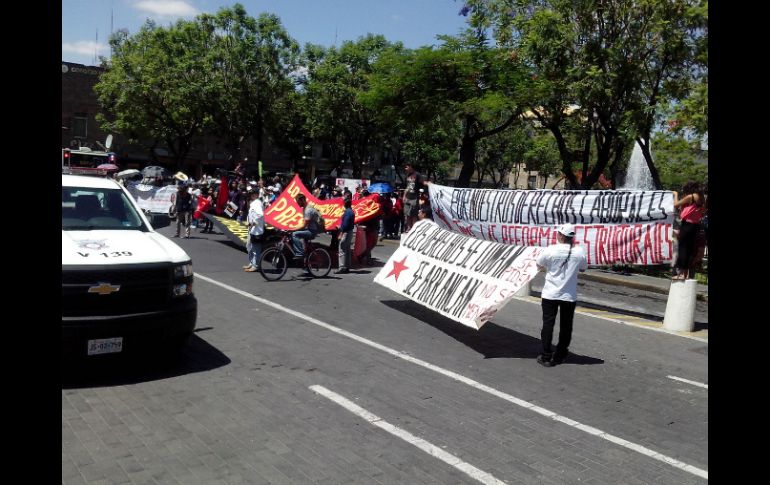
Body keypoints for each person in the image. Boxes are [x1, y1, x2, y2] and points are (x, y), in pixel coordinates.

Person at [535, 223, 588, 367]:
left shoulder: (551, 249)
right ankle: (560, 354)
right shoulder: (579, 252)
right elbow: (583, 269)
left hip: (550, 294)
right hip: (569, 296)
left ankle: (546, 356)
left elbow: (539, 264)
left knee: (548, 324)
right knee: (566, 326)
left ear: (561, 236)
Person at [672, 181, 707, 280]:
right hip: (695, 226)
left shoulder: (690, 197)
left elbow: (675, 204)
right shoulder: (702, 199)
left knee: (682, 248)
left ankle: (681, 273)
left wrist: (675, 194)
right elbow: (703, 212)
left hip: (686, 225)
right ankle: (684, 274)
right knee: (689, 250)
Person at [291, 194, 322, 272]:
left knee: (294, 234)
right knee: (305, 249)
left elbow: (305, 225)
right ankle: (307, 267)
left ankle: (299, 253)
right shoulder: (305, 208)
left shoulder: (308, 210)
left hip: (312, 231)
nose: (297, 204)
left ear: (302, 200)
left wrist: (293, 229)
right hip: (309, 230)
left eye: (298, 202)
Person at [244, 190, 265, 272]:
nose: (251, 196)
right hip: (252, 229)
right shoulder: (254, 203)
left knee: (256, 249)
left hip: (257, 230)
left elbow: (260, 214)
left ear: (256, 195)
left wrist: (253, 223)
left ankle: (255, 265)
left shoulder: (257, 203)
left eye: (253, 194)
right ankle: (251, 263)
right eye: (251, 194)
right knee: (250, 247)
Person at [402, 163, 424, 233]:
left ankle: (414, 228)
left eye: (406, 167)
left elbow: (422, 183)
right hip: (408, 197)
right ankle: (408, 227)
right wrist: (404, 196)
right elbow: (407, 187)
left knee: (414, 213)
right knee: (407, 213)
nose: (405, 169)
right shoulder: (407, 175)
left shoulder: (417, 175)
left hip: (414, 197)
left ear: (410, 167)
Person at [335, 197, 355, 274]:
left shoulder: (347, 212)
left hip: (346, 232)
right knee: (347, 249)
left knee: (342, 249)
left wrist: (341, 232)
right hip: (350, 232)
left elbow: (345, 225)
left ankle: (342, 267)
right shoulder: (351, 212)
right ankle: (347, 266)